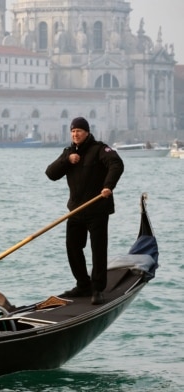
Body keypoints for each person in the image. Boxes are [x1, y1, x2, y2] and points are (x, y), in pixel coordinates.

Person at [45, 116, 124, 305]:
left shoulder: (99, 149)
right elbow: (50, 173)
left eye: (78, 131)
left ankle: (98, 289)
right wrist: (67, 160)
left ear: (86, 132)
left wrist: (108, 186)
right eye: (72, 131)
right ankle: (83, 284)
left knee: (98, 250)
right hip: (76, 211)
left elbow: (116, 164)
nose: (75, 134)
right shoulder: (68, 153)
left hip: (97, 209)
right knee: (73, 247)